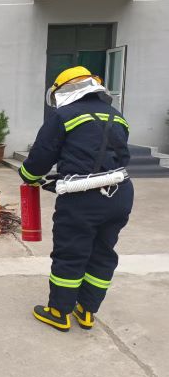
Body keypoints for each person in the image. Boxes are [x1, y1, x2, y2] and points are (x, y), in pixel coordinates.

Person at [19, 66, 133, 332]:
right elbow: (115, 157)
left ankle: (59, 312)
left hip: (83, 199)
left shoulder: (64, 115)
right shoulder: (117, 116)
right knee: (102, 253)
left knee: (71, 253)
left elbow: (41, 155)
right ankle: (87, 311)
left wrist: (29, 176)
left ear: (64, 90)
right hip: (120, 195)